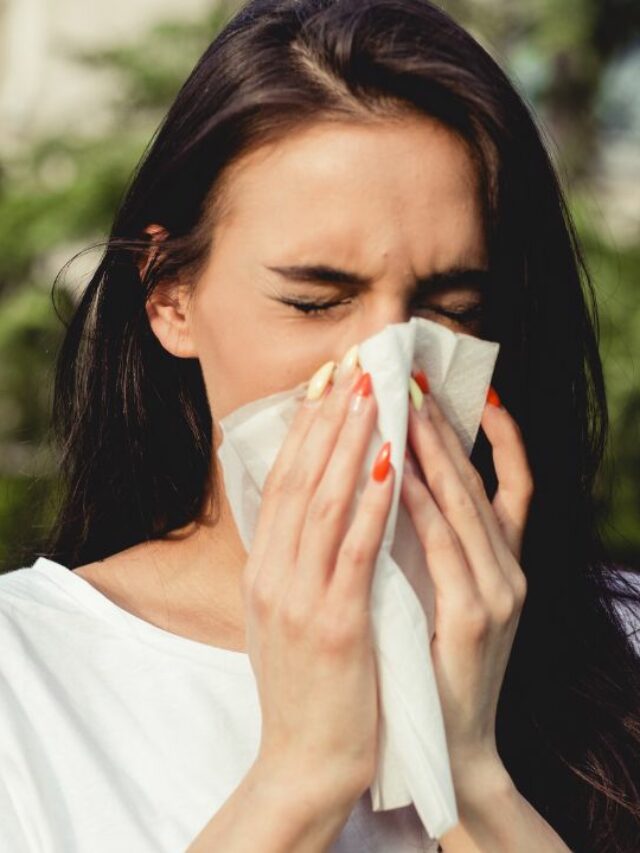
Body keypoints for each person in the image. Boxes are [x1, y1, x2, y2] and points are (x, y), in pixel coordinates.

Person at [1, 0, 639, 850]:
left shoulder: (617, 644)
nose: (385, 370)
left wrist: (470, 772)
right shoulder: (28, 670)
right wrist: (297, 778)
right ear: (169, 297)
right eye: (314, 301)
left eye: (451, 307)